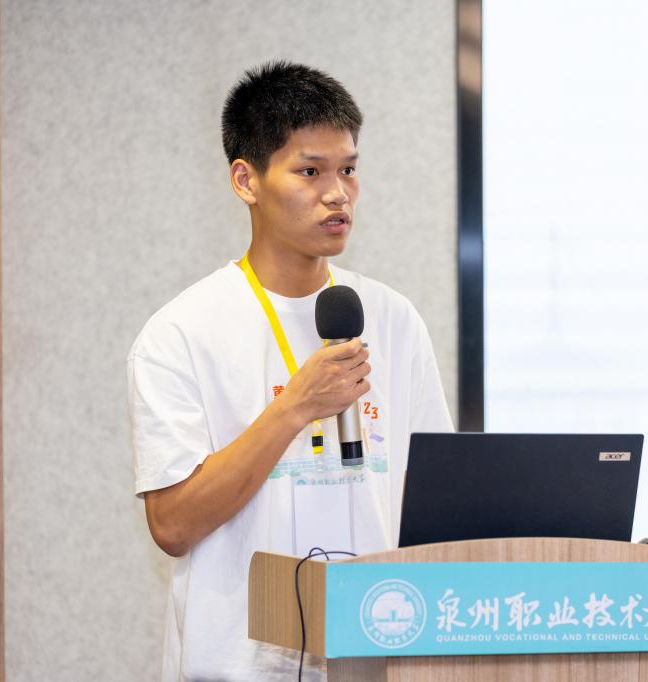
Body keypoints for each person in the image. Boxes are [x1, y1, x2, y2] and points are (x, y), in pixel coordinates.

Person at [127, 61, 453, 681]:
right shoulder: (180, 333)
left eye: (348, 169)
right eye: (310, 171)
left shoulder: (393, 317)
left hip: (377, 650)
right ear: (246, 180)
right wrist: (295, 406)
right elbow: (172, 525)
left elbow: (432, 500)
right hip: (237, 664)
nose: (338, 193)